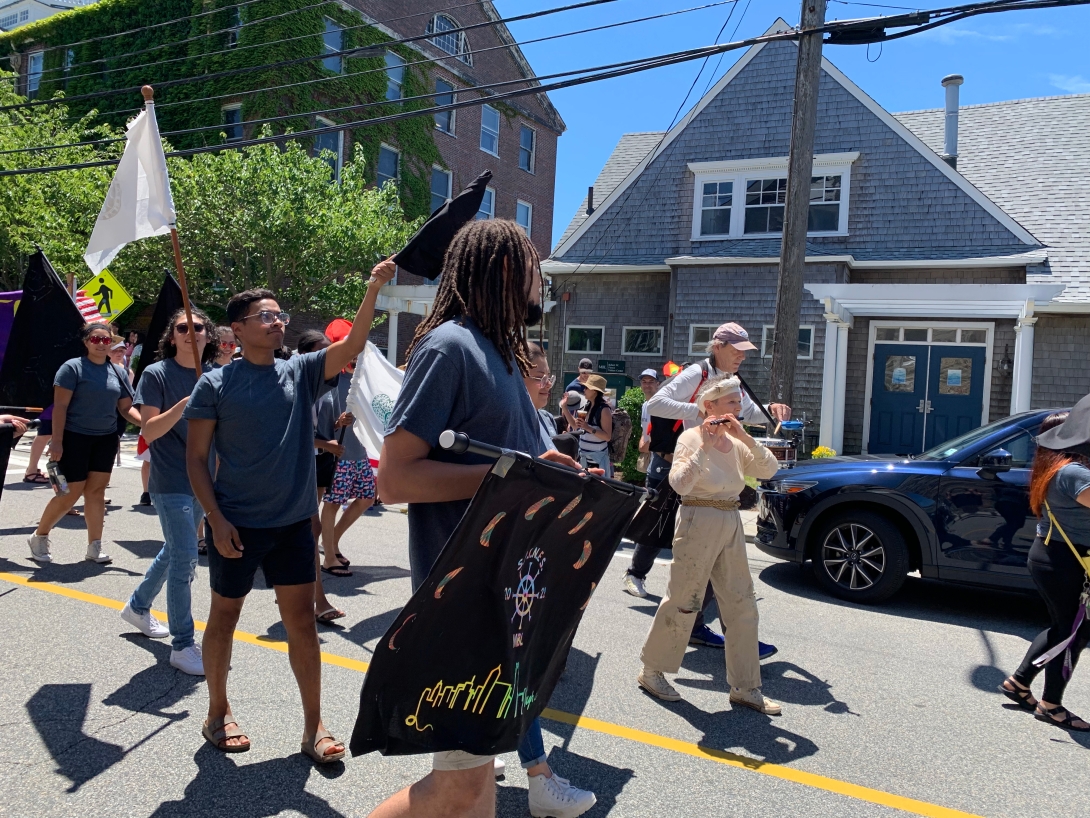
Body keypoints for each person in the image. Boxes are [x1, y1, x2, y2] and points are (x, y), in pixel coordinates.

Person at [371, 220, 596, 818]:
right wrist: (517, 474)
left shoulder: (499, 355)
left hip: (507, 599)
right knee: (460, 788)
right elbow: (394, 479)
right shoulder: (450, 346)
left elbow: (509, 468)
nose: (540, 277)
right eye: (531, 264)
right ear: (501, 269)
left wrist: (548, 474)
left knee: (475, 790)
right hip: (461, 601)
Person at [184, 262, 394, 763]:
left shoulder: (299, 370)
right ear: (237, 330)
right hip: (236, 524)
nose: (277, 323)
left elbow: (353, 345)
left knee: (301, 622)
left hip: (295, 524)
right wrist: (214, 518)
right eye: (264, 317)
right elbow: (195, 459)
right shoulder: (214, 385)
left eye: (279, 315)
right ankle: (217, 713)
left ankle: (313, 725)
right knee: (224, 616)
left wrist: (373, 289)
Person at [633, 322, 790, 656]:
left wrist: (770, 411)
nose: (741, 358)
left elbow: (745, 413)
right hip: (697, 475)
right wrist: (703, 411)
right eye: (736, 351)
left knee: (723, 579)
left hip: (722, 474)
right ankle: (664, 653)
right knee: (697, 577)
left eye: (744, 352)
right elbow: (655, 404)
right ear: (718, 345)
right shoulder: (697, 372)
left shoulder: (733, 382)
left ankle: (724, 639)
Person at [637, 375, 782, 713]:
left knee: (742, 603)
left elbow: (769, 470)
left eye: (738, 402)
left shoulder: (737, 441)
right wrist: (705, 443)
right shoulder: (690, 437)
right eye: (731, 402)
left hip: (729, 520)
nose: (738, 408)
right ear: (710, 406)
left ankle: (746, 686)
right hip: (697, 518)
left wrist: (744, 436)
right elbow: (680, 484)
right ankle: (652, 670)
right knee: (684, 601)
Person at [120, 309, 218, 676]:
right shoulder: (156, 373)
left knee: (175, 551)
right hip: (171, 479)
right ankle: (182, 644)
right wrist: (186, 402)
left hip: (205, 482)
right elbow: (151, 430)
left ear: (208, 336)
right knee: (185, 560)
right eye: (183, 328)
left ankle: (138, 606)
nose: (191, 333)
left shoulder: (216, 376)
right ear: (172, 336)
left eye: (199, 328)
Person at [1000, 404, 1090, 731]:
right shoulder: (1074, 473)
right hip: (1065, 561)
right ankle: (1051, 705)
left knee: (1064, 628)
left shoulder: (1055, 469)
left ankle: (1020, 682)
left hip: (1054, 557)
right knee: (1072, 633)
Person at [27, 323, 140, 565]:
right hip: (74, 437)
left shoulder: (118, 372)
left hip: (106, 439)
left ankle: (94, 546)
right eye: (96, 339)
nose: (101, 344)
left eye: (106, 340)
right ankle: (40, 535)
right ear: (86, 342)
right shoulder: (72, 368)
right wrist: (56, 442)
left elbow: (126, 409)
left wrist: (148, 426)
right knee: (69, 493)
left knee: (96, 492)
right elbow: (61, 407)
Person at [297, 329, 348, 625]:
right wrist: (324, 443)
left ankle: (295, 587)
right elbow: (294, 431)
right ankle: (317, 599)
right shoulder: (296, 383)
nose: (330, 356)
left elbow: (325, 421)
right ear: (305, 355)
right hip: (297, 465)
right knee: (307, 531)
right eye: (323, 350)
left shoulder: (330, 385)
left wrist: (340, 422)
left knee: (307, 530)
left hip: (319, 462)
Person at [320, 359, 375, 577]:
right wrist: (338, 422)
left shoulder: (365, 381)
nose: (355, 360)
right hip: (339, 453)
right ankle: (329, 557)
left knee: (367, 497)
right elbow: (324, 420)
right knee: (332, 503)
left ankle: (331, 542)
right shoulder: (333, 383)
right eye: (351, 356)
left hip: (360, 452)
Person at [562, 373, 613, 478]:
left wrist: (588, 428)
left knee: (596, 491)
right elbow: (575, 426)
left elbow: (607, 437)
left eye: (586, 387)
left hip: (598, 461)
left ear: (594, 391)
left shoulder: (604, 409)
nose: (583, 390)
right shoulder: (586, 406)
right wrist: (564, 408)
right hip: (584, 459)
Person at [524, 343, 558, 451]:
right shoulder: (511, 424)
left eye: (548, 377)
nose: (548, 384)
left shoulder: (547, 418)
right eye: (540, 377)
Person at [22, 404, 53, 485]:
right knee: (45, 434)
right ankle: (31, 471)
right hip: (50, 407)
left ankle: (32, 470)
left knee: (47, 435)